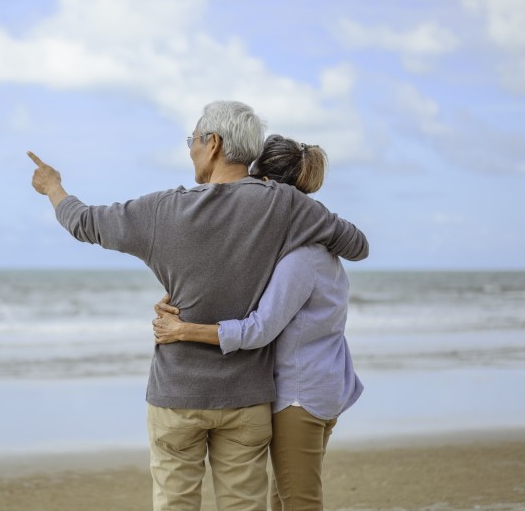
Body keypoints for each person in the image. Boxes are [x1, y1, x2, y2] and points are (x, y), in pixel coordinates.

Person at [28, 101, 369, 511]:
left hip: (178, 393)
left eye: (192, 139)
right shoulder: (286, 205)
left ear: (213, 144)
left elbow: (83, 222)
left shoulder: (160, 211)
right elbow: (355, 244)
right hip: (246, 397)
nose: (189, 148)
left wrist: (53, 187)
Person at [152, 134, 363, 511]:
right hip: (321, 385)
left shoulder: (299, 259)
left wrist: (183, 330)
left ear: (266, 187)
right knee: (281, 499)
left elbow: (259, 328)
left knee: (298, 502)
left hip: (299, 395)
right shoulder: (319, 247)